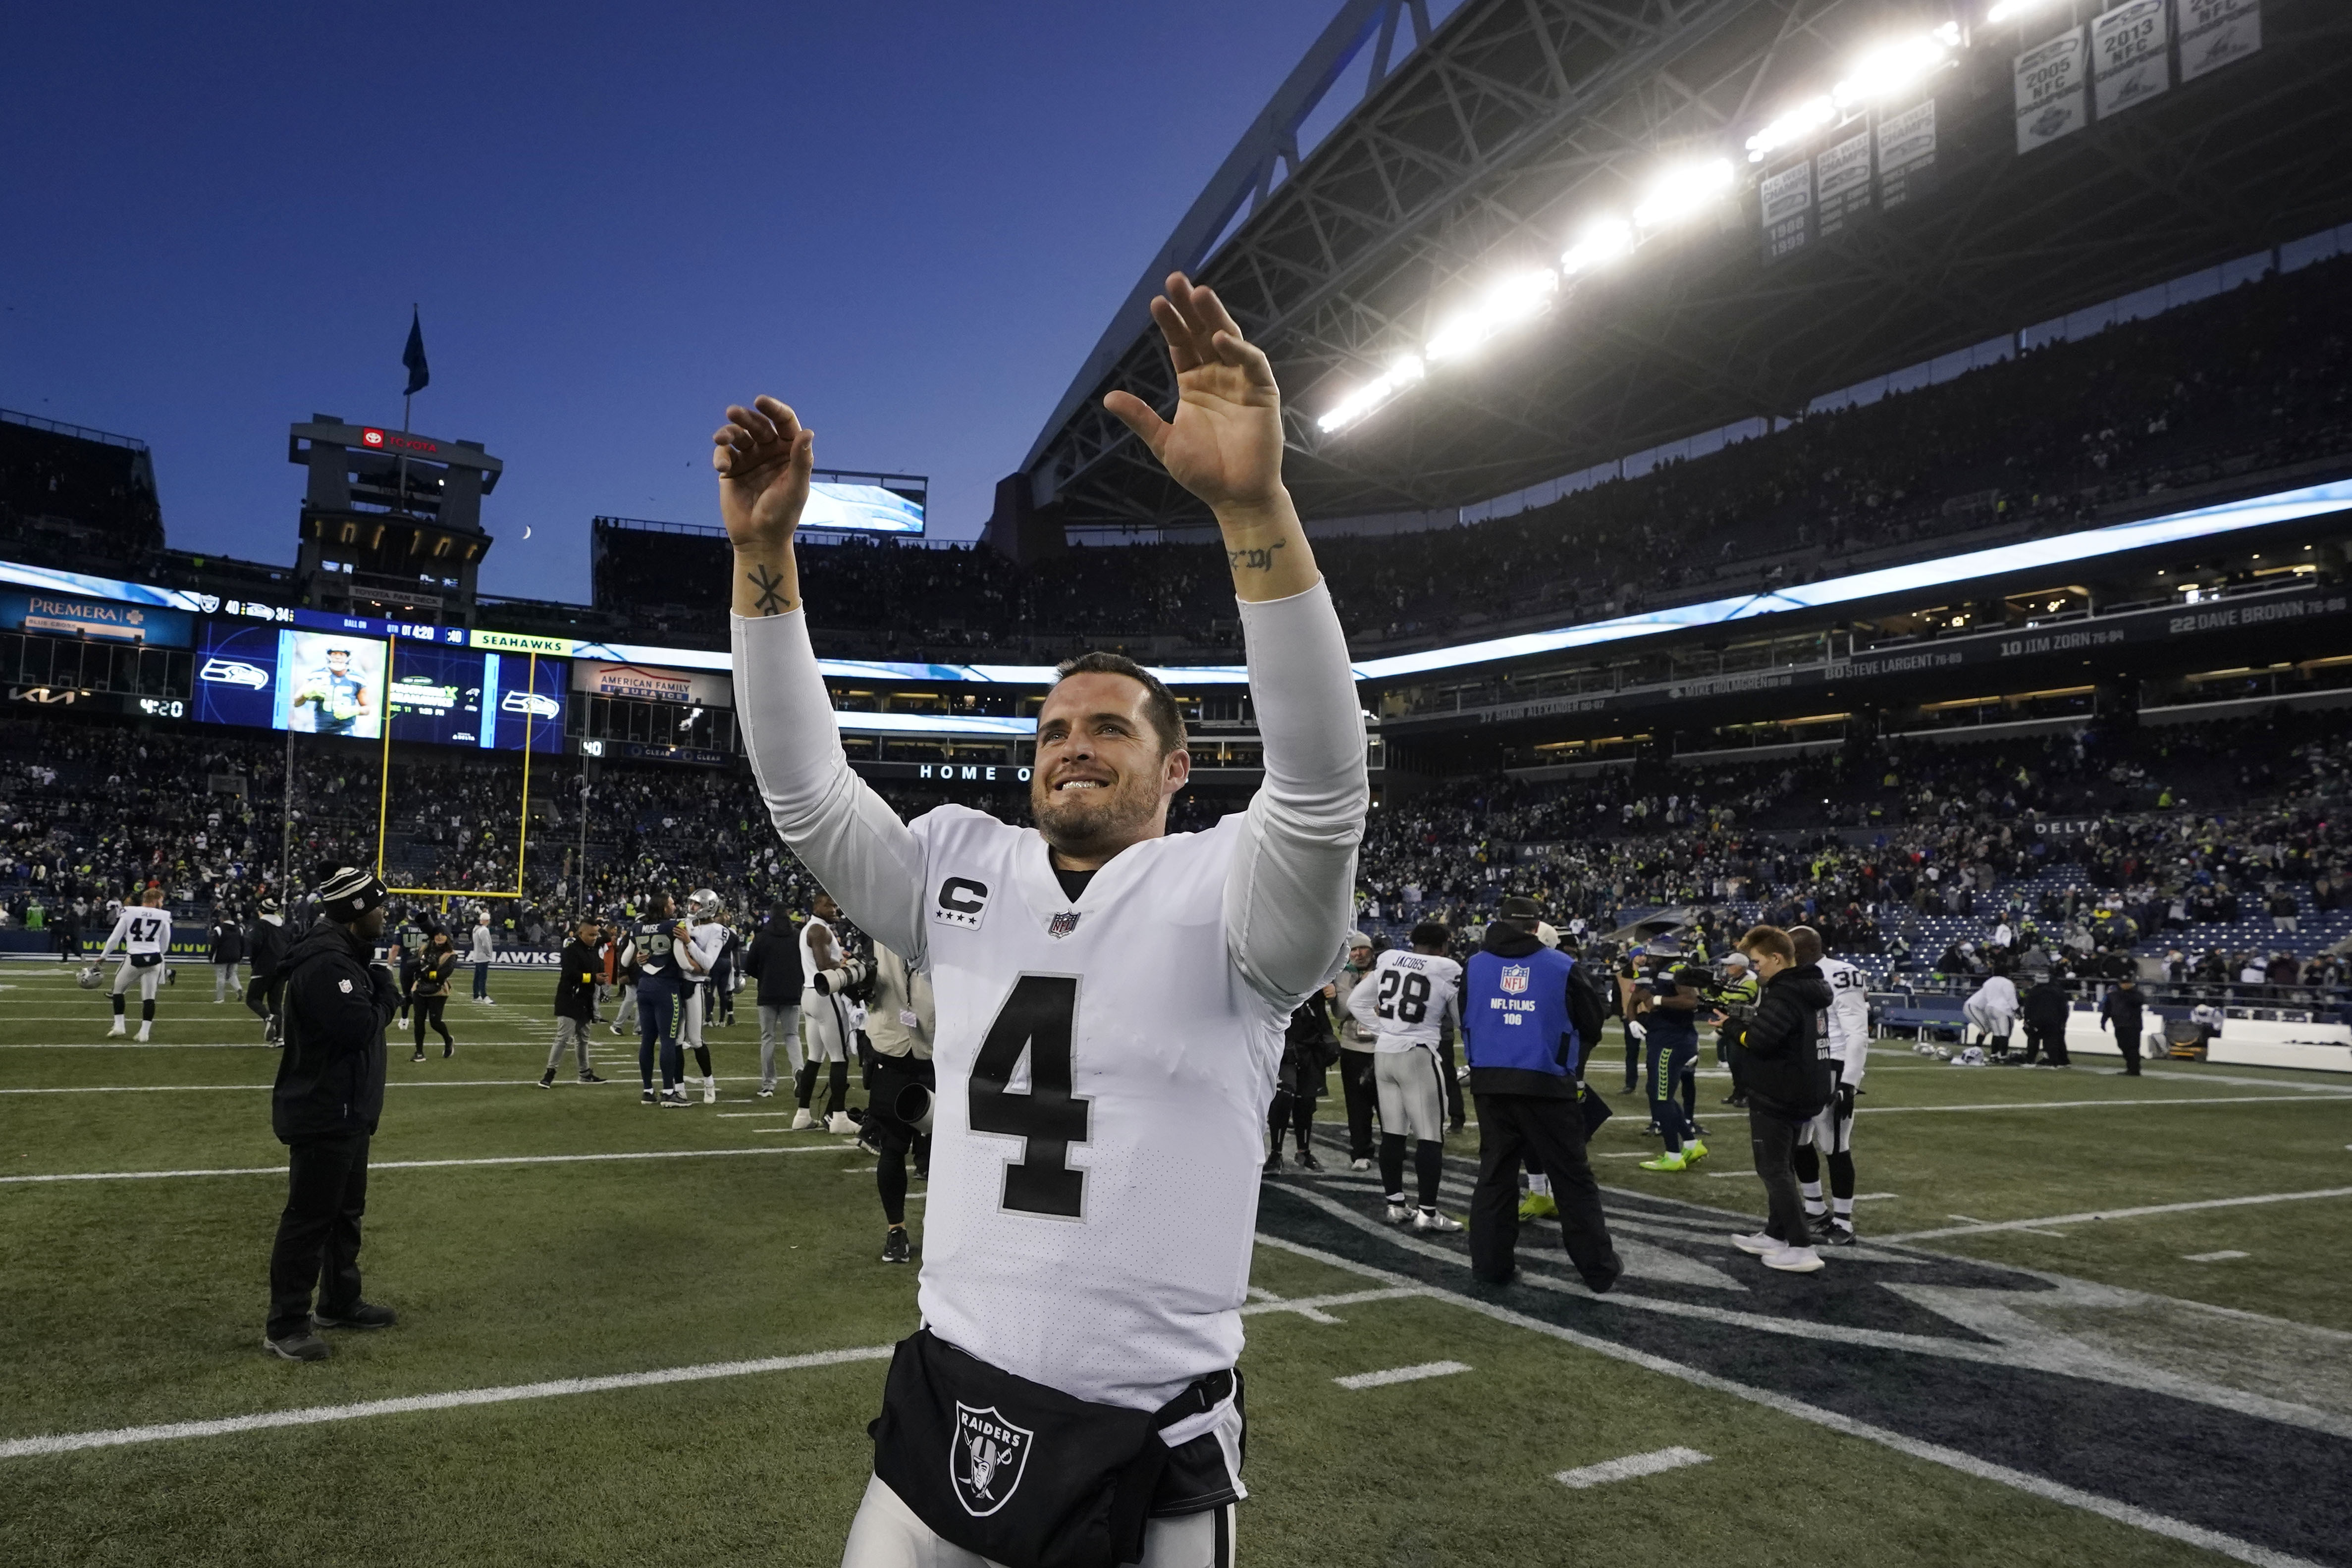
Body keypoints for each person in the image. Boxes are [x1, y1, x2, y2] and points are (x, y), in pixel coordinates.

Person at [719, 271, 1364, 1565]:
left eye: (1110, 727)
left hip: (1146, 1441)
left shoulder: (1239, 904)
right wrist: (762, 561)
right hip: (946, 1410)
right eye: (1055, 726)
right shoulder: (963, 869)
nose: (1074, 744)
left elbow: (1323, 784)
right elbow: (803, 792)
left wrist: (1253, 506)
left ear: (1175, 767)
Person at [264, 864, 401, 1361]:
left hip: (347, 1108)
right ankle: (286, 1324)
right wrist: (386, 986)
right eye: (379, 904)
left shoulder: (345, 955)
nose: (385, 912)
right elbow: (358, 1025)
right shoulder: (328, 963)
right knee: (309, 1218)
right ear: (356, 911)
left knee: (345, 1213)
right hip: (326, 1109)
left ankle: (339, 1300)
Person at [1460, 895, 1619, 1291]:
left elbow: (1466, 1014)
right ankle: (1598, 1270)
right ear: (1537, 926)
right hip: (1546, 1081)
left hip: (1491, 1081)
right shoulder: (1562, 966)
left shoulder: (1474, 966)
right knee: (1572, 1179)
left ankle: (1490, 1266)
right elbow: (1593, 1022)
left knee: (1495, 1175)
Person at [1722, 924, 1834, 1275]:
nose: (1757, 969)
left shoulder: (1786, 993)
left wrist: (1730, 1028)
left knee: (1772, 1169)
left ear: (1776, 958)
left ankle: (1801, 1246)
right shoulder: (1809, 989)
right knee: (1782, 1166)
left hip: (1780, 1091)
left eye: (1758, 962)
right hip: (1804, 1088)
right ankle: (1776, 1233)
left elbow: (1760, 1041)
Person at [1346, 919, 1463, 1230]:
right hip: (1417, 1053)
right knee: (1429, 1135)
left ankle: (1396, 1205)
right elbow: (1461, 1018)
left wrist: (1383, 1030)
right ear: (1443, 946)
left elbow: (1356, 1001)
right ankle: (1427, 1213)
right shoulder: (1446, 966)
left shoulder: (1388, 959)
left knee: (1393, 1133)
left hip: (1384, 1054)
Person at [856, 938, 934, 1265]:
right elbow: (862, 984)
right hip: (895, 1048)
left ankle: (929, 1230)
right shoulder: (877, 927)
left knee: (942, 1150)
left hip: (934, 1048)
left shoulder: (943, 924)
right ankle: (896, 1229)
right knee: (892, 1146)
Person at [1788, 926, 1866, 1245]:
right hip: (1807, 1066)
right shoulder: (1797, 976)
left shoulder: (1841, 974)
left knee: (1834, 1145)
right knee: (1799, 1140)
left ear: (1804, 951)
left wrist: (1849, 1081)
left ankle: (1844, 1222)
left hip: (1833, 1065)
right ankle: (1815, 1207)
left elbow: (1857, 1033)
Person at [1633, 947, 1705, 1172]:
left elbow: (1690, 1001)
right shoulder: (1656, 972)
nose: (1648, 960)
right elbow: (1637, 997)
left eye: (1651, 956)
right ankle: (1692, 1144)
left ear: (1659, 956)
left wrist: (1658, 999)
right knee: (1657, 1092)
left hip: (1671, 1043)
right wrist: (1632, 1020)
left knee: (1661, 1097)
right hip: (1664, 1039)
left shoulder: (1677, 969)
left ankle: (1674, 1155)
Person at [793, 890, 855, 1132]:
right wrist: (844, 964)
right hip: (825, 994)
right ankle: (839, 1118)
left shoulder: (812, 928)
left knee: (814, 1058)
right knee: (839, 1058)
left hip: (809, 994)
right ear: (818, 906)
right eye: (831, 906)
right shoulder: (818, 929)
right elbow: (823, 965)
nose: (835, 911)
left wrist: (840, 959)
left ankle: (803, 1115)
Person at [631, 891, 691, 1106]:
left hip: (645, 986)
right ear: (664, 908)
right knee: (668, 1040)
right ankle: (668, 1092)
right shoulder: (674, 926)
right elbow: (684, 963)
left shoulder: (638, 927)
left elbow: (626, 958)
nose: (675, 907)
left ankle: (648, 1091)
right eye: (672, 904)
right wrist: (699, 968)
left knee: (647, 1040)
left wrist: (641, 958)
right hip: (666, 987)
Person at [1266, 987, 1334, 1174]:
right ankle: (1275, 1154)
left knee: (1306, 1099)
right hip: (1285, 1041)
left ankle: (1303, 1152)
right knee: (1283, 1096)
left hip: (1311, 1042)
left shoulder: (1319, 972)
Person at [741, 903, 805, 1098]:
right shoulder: (798, 937)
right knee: (792, 1036)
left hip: (768, 992)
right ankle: (798, 1072)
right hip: (792, 993)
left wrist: (764, 974)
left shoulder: (761, 938)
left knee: (768, 1037)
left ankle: (768, 1083)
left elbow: (749, 966)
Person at [94, 886, 172, 1041]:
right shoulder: (164, 916)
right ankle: (144, 1033)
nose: (162, 905)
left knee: (118, 990)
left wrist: (103, 956)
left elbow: (115, 938)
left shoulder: (129, 912)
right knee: (149, 997)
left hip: (134, 958)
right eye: (161, 901)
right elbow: (165, 945)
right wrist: (157, 952)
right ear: (155, 901)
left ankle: (119, 1026)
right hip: (155, 959)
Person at [1333, 931, 1380, 1171]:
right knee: (1357, 1105)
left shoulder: (1385, 973)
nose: (1359, 954)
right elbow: (1341, 1011)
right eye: (1354, 950)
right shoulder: (1342, 976)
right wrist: (1364, 991)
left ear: (1372, 952)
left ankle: (1395, 1148)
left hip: (1383, 1046)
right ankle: (1361, 1152)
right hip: (1353, 1046)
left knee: (1389, 1103)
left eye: (1364, 949)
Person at [678, 889, 730, 1104]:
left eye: (697, 905)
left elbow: (708, 964)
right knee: (676, 1041)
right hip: (675, 984)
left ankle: (709, 1083)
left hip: (695, 986)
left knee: (696, 1040)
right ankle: (678, 1087)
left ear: (708, 907)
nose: (692, 908)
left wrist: (689, 942)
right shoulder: (684, 923)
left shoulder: (718, 930)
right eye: (691, 904)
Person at [542, 915, 606, 1088]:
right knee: (563, 1038)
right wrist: (594, 978)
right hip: (570, 999)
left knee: (583, 1039)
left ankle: (584, 1073)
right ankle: (550, 1073)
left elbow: (605, 940)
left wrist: (600, 977)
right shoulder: (571, 951)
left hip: (585, 1000)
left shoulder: (593, 950)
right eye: (591, 935)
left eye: (596, 935)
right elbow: (571, 975)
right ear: (581, 933)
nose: (595, 938)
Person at [245, 896, 291, 1043]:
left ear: (262, 911)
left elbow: (255, 944)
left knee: (252, 999)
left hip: (264, 967)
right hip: (282, 969)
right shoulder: (284, 926)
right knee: (276, 1003)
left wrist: (254, 963)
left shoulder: (261, 925)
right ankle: (280, 1037)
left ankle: (268, 1017)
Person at [410, 927, 459, 1061]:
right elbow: (412, 964)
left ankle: (448, 1040)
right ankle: (419, 1052)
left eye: (443, 934)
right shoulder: (424, 949)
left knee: (435, 1022)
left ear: (448, 937)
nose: (439, 937)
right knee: (418, 1021)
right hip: (419, 989)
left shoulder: (451, 954)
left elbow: (444, 974)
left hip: (438, 991)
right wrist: (416, 970)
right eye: (437, 934)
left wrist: (428, 972)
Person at [1964, 969, 2020, 1061]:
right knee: (2004, 1033)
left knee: (1996, 1033)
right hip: (2002, 1009)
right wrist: (2016, 1009)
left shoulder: (1988, 982)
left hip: (1989, 1008)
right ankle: (2002, 1056)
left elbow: (1987, 996)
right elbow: (2010, 997)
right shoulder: (2007, 982)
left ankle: (1993, 1055)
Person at [2021, 974, 2072, 1067]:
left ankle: (2030, 1060)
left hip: (2036, 1020)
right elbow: (2064, 1008)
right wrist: (2063, 1021)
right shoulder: (2058, 991)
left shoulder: (2034, 991)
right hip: (2053, 1020)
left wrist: (2026, 1019)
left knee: (2034, 1040)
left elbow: (2028, 1007)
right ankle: (2054, 1062)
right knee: (2052, 1041)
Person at [2100, 974, 2146, 1076]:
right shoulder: (2114, 995)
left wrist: (2128, 993)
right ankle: (2130, 1067)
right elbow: (2108, 1009)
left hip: (2133, 1025)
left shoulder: (2136, 994)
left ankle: (2134, 1069)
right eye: (2124, 983)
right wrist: (2103, 1022)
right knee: (2123, 1046)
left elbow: (2138, 1001)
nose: (2125, 985)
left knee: (2133, 1048)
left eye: (2127, 983)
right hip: (2119, 1025)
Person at [209, 904, 244, 1003]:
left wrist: (211, 957)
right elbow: (243, 945)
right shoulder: (239, 929)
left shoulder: (219, 929)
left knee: (221, 976)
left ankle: (220, 998)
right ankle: (238, 988)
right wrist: (240, 956)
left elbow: (214, 945)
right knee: (233, 974)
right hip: (235, 955)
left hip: (222, 956)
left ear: (221, 919)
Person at [468, 910, 496, 1003]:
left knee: (477, 977)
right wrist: (489, 954)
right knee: (482, 977)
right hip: (483, 956)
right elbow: (486, 944)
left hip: (477, 955)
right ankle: (484, 996)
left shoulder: (476, 929)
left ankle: (476, 995)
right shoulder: (484, 930)